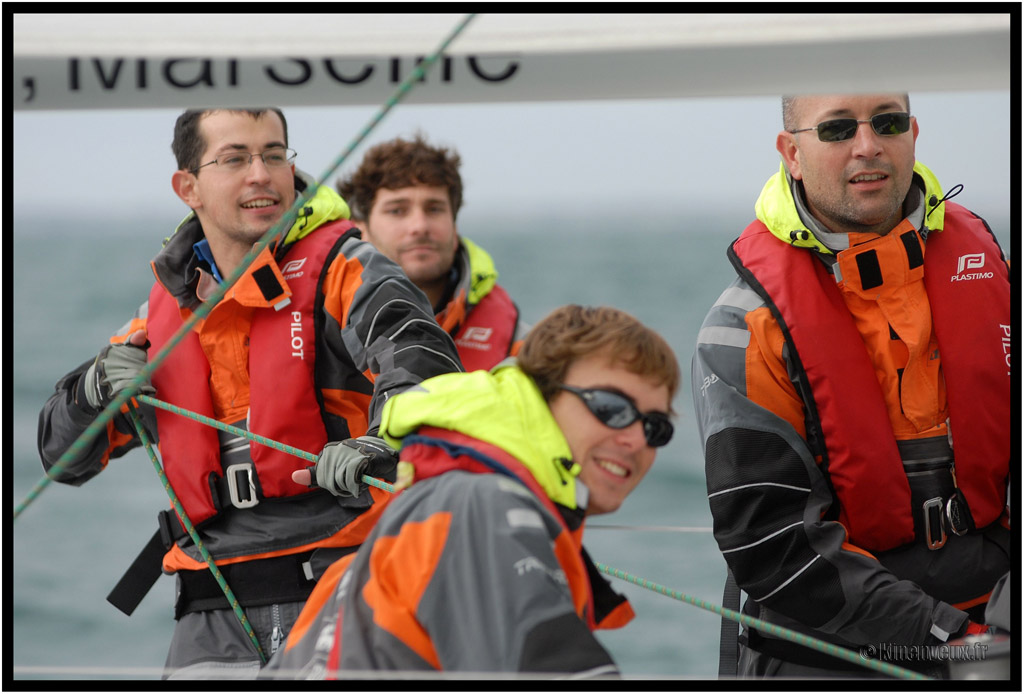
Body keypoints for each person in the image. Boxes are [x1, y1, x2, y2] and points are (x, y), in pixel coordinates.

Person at [37, 108, 463, 678]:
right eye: (235, 159)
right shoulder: (161, 315)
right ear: (188, 187)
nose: (261, 174)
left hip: (347, 580)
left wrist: (381, 443)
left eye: (274, 154)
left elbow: (424, 366)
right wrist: (92, 390)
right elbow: (62, 460)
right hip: (210, 603)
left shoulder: (347, 270)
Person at [691, 93, 1010, 679]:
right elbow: (770, 543)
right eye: (838, 129)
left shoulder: (997, 280)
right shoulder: (742, 328)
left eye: (887, 122)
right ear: (791, 151)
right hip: (829, 654)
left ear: (913, 132)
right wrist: (949, 639)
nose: (868, 146)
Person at [262, 305, 680, 678]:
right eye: (610, 408)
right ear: (541, 396)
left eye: (654, 427)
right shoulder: (483, 506)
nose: (634, 439)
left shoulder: (449, 499)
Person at [337, 134, 528, 371]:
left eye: (434, 209)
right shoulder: (320, 333)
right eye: (397, 210)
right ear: (360, 229)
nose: (420, 226)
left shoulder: (522, 346)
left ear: (455, 225)